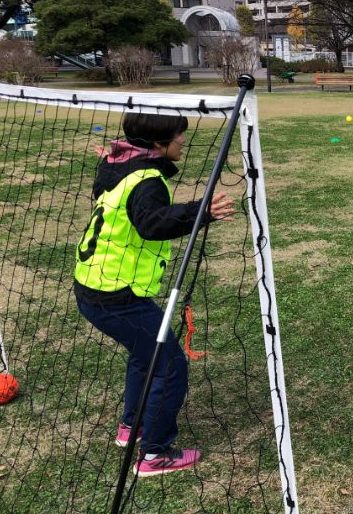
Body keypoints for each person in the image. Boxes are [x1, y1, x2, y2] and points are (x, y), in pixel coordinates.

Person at [74, 112, 236, 477]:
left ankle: (132, 427)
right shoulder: (147, 180)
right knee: (170, 365)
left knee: (145, 354)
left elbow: (112, 182)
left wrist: (110, 156)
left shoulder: (120, 164)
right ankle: (155, 455)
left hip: (93, 288)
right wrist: (200, 211)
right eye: (179, 136)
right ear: (159, 143)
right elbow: (152, 223)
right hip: (116, 297)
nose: (183, 142)